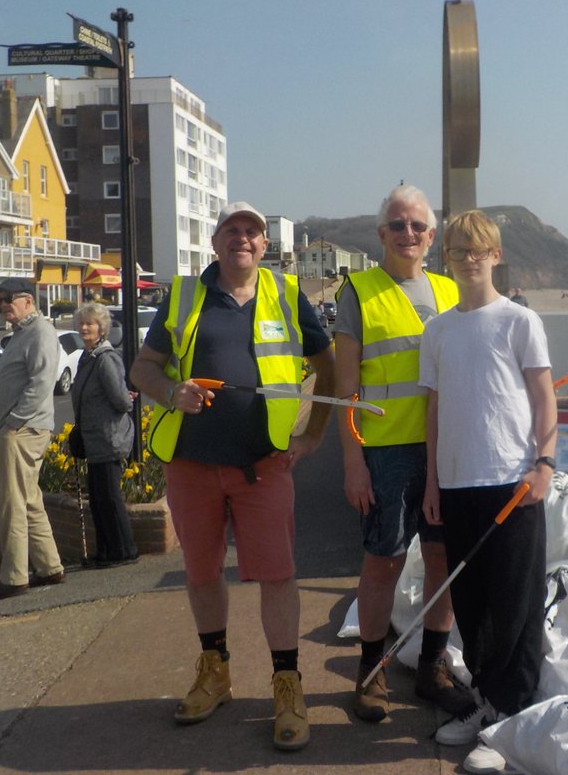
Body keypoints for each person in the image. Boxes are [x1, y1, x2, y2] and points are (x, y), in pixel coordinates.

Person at [129, 201, 334, 752]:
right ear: (216, 242)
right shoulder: (185, 295)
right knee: (200, 572)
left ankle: (287, 684)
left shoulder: (288, 295)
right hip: (191, 464)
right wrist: (172, 391)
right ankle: (215, 670)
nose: (242, 239)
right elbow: (141, 368)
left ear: (265, 246)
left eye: (253, 232)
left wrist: (312, 434)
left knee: (277, 575)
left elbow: (329, 366)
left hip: (264, 465)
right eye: (232, 231)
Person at [419, 210, 557, 775]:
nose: (468, 258)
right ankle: (487, 703)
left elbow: (545, 397)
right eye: (457, 250)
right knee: (472, 606)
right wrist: (432, 480)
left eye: (478, 250)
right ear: (445, 257)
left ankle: (511, 721)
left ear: (496, 255)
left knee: (515, 605)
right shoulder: (439, 329)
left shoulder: (519, 320)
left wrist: (545, 464)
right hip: (456, 484)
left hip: (512, 483)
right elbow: (433, 409)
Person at [333, 184, 472, 722]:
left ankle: (432, 669)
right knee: (383, 562)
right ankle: (370, 672)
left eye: (417, 225)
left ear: (432, 236)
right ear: (381, 234)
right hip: (385, 454)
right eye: (397, 224)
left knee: (441, 561)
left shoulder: (448, 290)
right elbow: (345, 390)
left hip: (447, 452)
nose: (407, 233)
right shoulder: (359, 291)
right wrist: (352, 461)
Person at [0, 277, 67, 603]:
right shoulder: (23, 333)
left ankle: (13, 577)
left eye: (7, 299)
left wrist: (13, 424)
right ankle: (50, 567)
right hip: (21, 429)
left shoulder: (40, 332)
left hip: (23, 430)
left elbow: (41, 382)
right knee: (29, 500)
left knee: (12, 504)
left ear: (28, 300)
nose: (3, 305)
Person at [71, 302, 138, 567]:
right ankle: (106, 551)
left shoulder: (106, 359)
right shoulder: (87, 357)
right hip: (94, 440)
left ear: (102, 329)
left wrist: (128, 398)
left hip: (109, 438)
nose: (85, 327)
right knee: (98, 500)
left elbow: (121, 401)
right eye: (82, 323)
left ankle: (125, 551)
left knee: (109, 498)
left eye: (91, 323)